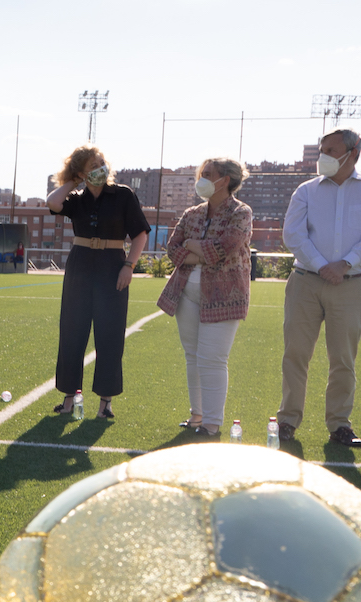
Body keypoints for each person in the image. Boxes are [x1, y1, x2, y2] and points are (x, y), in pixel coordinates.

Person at [278, 127, 361, 448]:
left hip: (352, 285)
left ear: (353, 152)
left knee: (343, 359)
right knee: (296, 354)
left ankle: (339, 425)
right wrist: (321, 265)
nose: (323, 157)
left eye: (331, 150)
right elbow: (293, 235)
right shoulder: (306, 190)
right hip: (305, 282)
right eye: (322, 150)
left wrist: (343, 265)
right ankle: (287, 421)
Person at [46, 145, 150, 418]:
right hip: (79, 265)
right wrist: (72, 181)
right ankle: (69, 398)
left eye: (101, 163)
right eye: (92, 166)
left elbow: (140, 235)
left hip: (113, 266)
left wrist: (129, 265)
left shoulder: (123, 195)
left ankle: (105, 402)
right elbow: (53, 203)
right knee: (71, 332)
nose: (100, 169)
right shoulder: (76, 198)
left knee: (110, 334)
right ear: (81, 172)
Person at [157, 158, 253, 438]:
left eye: (208, 174)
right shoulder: (192, 213)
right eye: (202, 173)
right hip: (186, 292)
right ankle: (196, 415)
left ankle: (212, 423)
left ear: (226, 180)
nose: (202, 178)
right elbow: (172, 247)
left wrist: (193, 247)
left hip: (225, 295)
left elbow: (229, 246)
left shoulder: (241, 212)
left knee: (212, 358)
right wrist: (197, 250)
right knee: (193, 356)